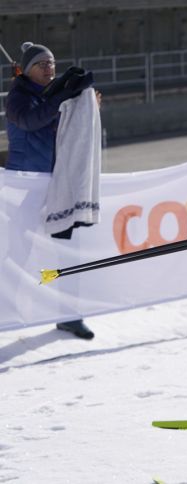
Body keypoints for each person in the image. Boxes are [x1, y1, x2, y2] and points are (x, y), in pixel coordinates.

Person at [5, 42, 96, 340]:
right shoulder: (18, 98)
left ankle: (69, 315)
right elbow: (32, 120)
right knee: (19, 253)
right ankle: (9, 311)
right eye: (41, 64)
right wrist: (60, 98)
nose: (49, 68)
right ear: (27, 69)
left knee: (68, 250)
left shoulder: (54, 95)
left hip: (58, 183)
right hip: (26, 185)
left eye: (52, 62)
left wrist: (86, 105)